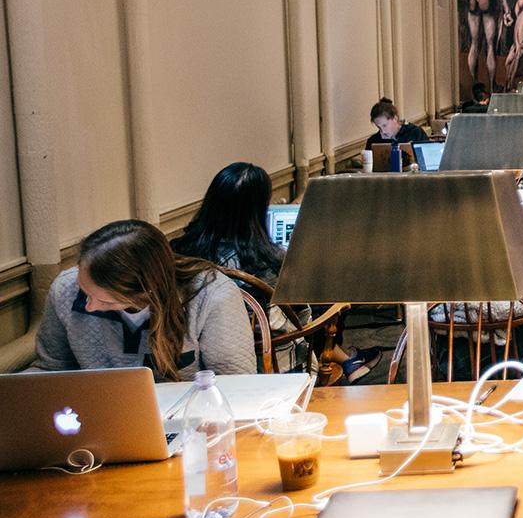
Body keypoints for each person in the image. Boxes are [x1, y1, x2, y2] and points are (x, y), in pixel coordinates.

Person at [171, 163, 379, 382]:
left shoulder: (181, 252)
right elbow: (301, 315)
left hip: (197, 360)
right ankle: (345, 357)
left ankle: (346, 358)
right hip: (270, 360)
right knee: (328, 304)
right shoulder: (267, 259)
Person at [31, 219, 254, 381]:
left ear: (146, 291)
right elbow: (51, 370)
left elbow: (236, 385)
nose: (88, 306)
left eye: (106, 302)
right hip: (98, 417)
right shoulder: (66, 288)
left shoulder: (212, 296)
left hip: (189, 421)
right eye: (85, 291)